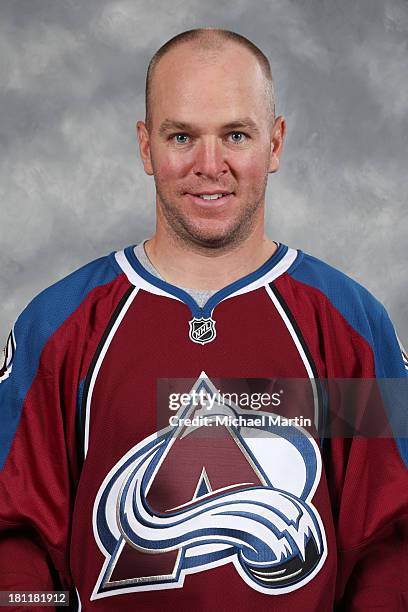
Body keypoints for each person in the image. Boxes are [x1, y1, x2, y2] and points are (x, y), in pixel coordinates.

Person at [0, 28, 407, 612]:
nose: (208, 165)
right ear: (146, 147)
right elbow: (16, 548)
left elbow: (390, 546)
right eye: (182, 136)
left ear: (275, 143)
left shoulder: (352, 327)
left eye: (235, 134)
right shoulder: (58, 326)